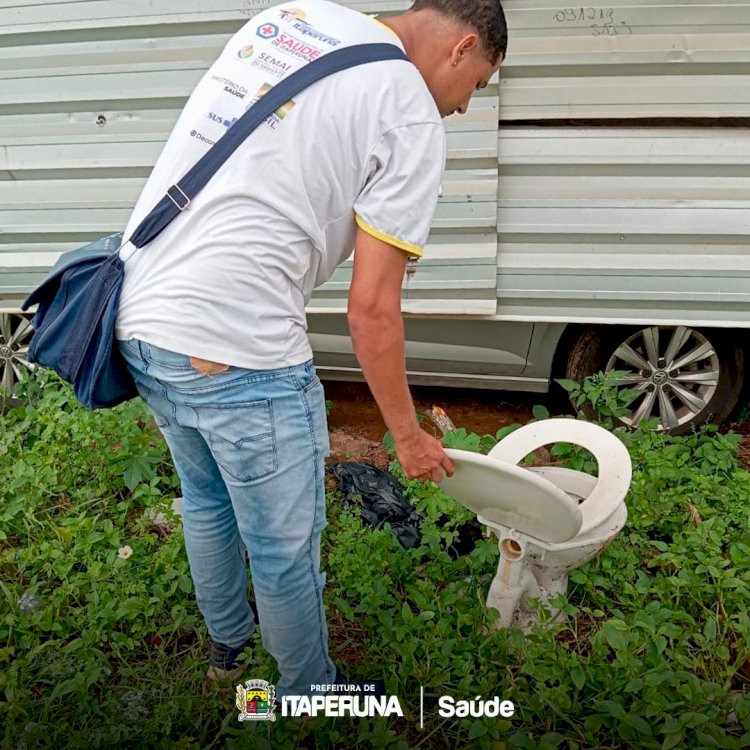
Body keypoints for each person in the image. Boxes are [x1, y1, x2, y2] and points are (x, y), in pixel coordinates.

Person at [115, 0, 507, 699]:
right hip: (241, 347)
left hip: (143, 317)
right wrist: (408, 436)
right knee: (282, 547)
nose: (465, 108)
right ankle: (307, 693)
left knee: (206, 500)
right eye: (477, 85)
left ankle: (226, 657)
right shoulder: (410, 112)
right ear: (462, 47)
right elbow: (372, 310)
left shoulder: (293, 18)